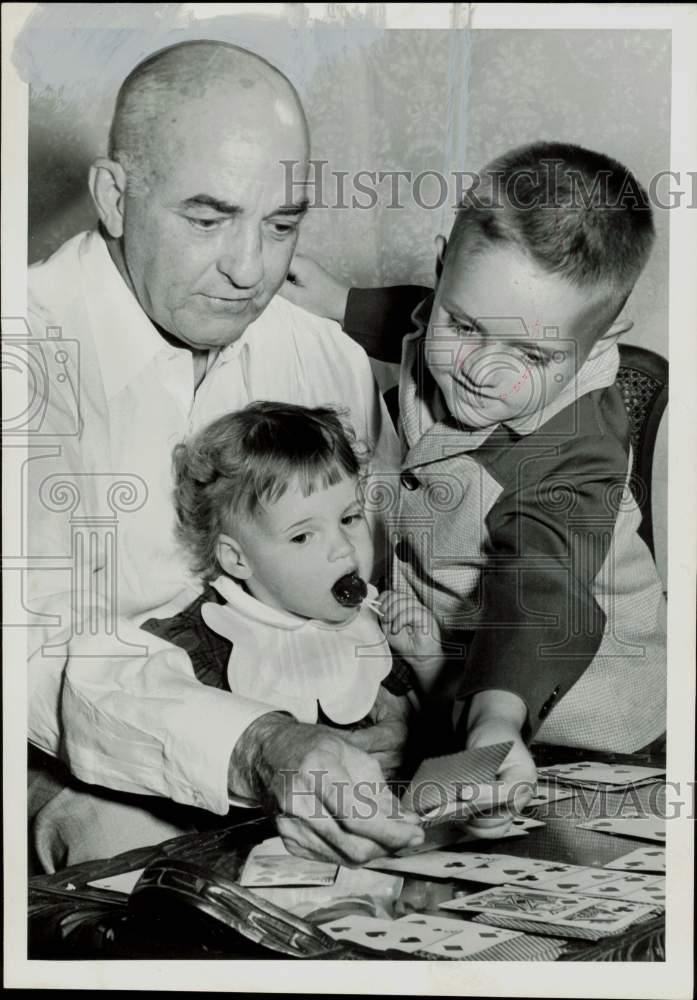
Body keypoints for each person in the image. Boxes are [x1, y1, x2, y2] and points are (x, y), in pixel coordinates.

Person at [26, 39, 427, 871]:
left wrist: (385, 704)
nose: (249, 269)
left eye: (280, 224)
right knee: (133, 855)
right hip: (51, 756)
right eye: (207, 219)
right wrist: (265, 747)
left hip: (292, 753)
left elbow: (352, 578)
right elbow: (33, 671)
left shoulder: (329, 363)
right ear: (114, 196)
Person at [284, 141, 667, 771]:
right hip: (446, 639)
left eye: (532, 355)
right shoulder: (460, 310)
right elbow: (413, 318)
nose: (484, 371)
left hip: (572, 703)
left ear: (600, 340)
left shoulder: (578, 448)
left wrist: (496, 720)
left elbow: (541, 587)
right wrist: (338, 301)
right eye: (465, 327)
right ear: (443, 272)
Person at [157, 400, 409, 734]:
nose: (343, 547)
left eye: (349, 518)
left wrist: (427, 665)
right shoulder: (200, 649)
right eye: (303, 537)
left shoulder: (378, 621)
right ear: (237, 559)